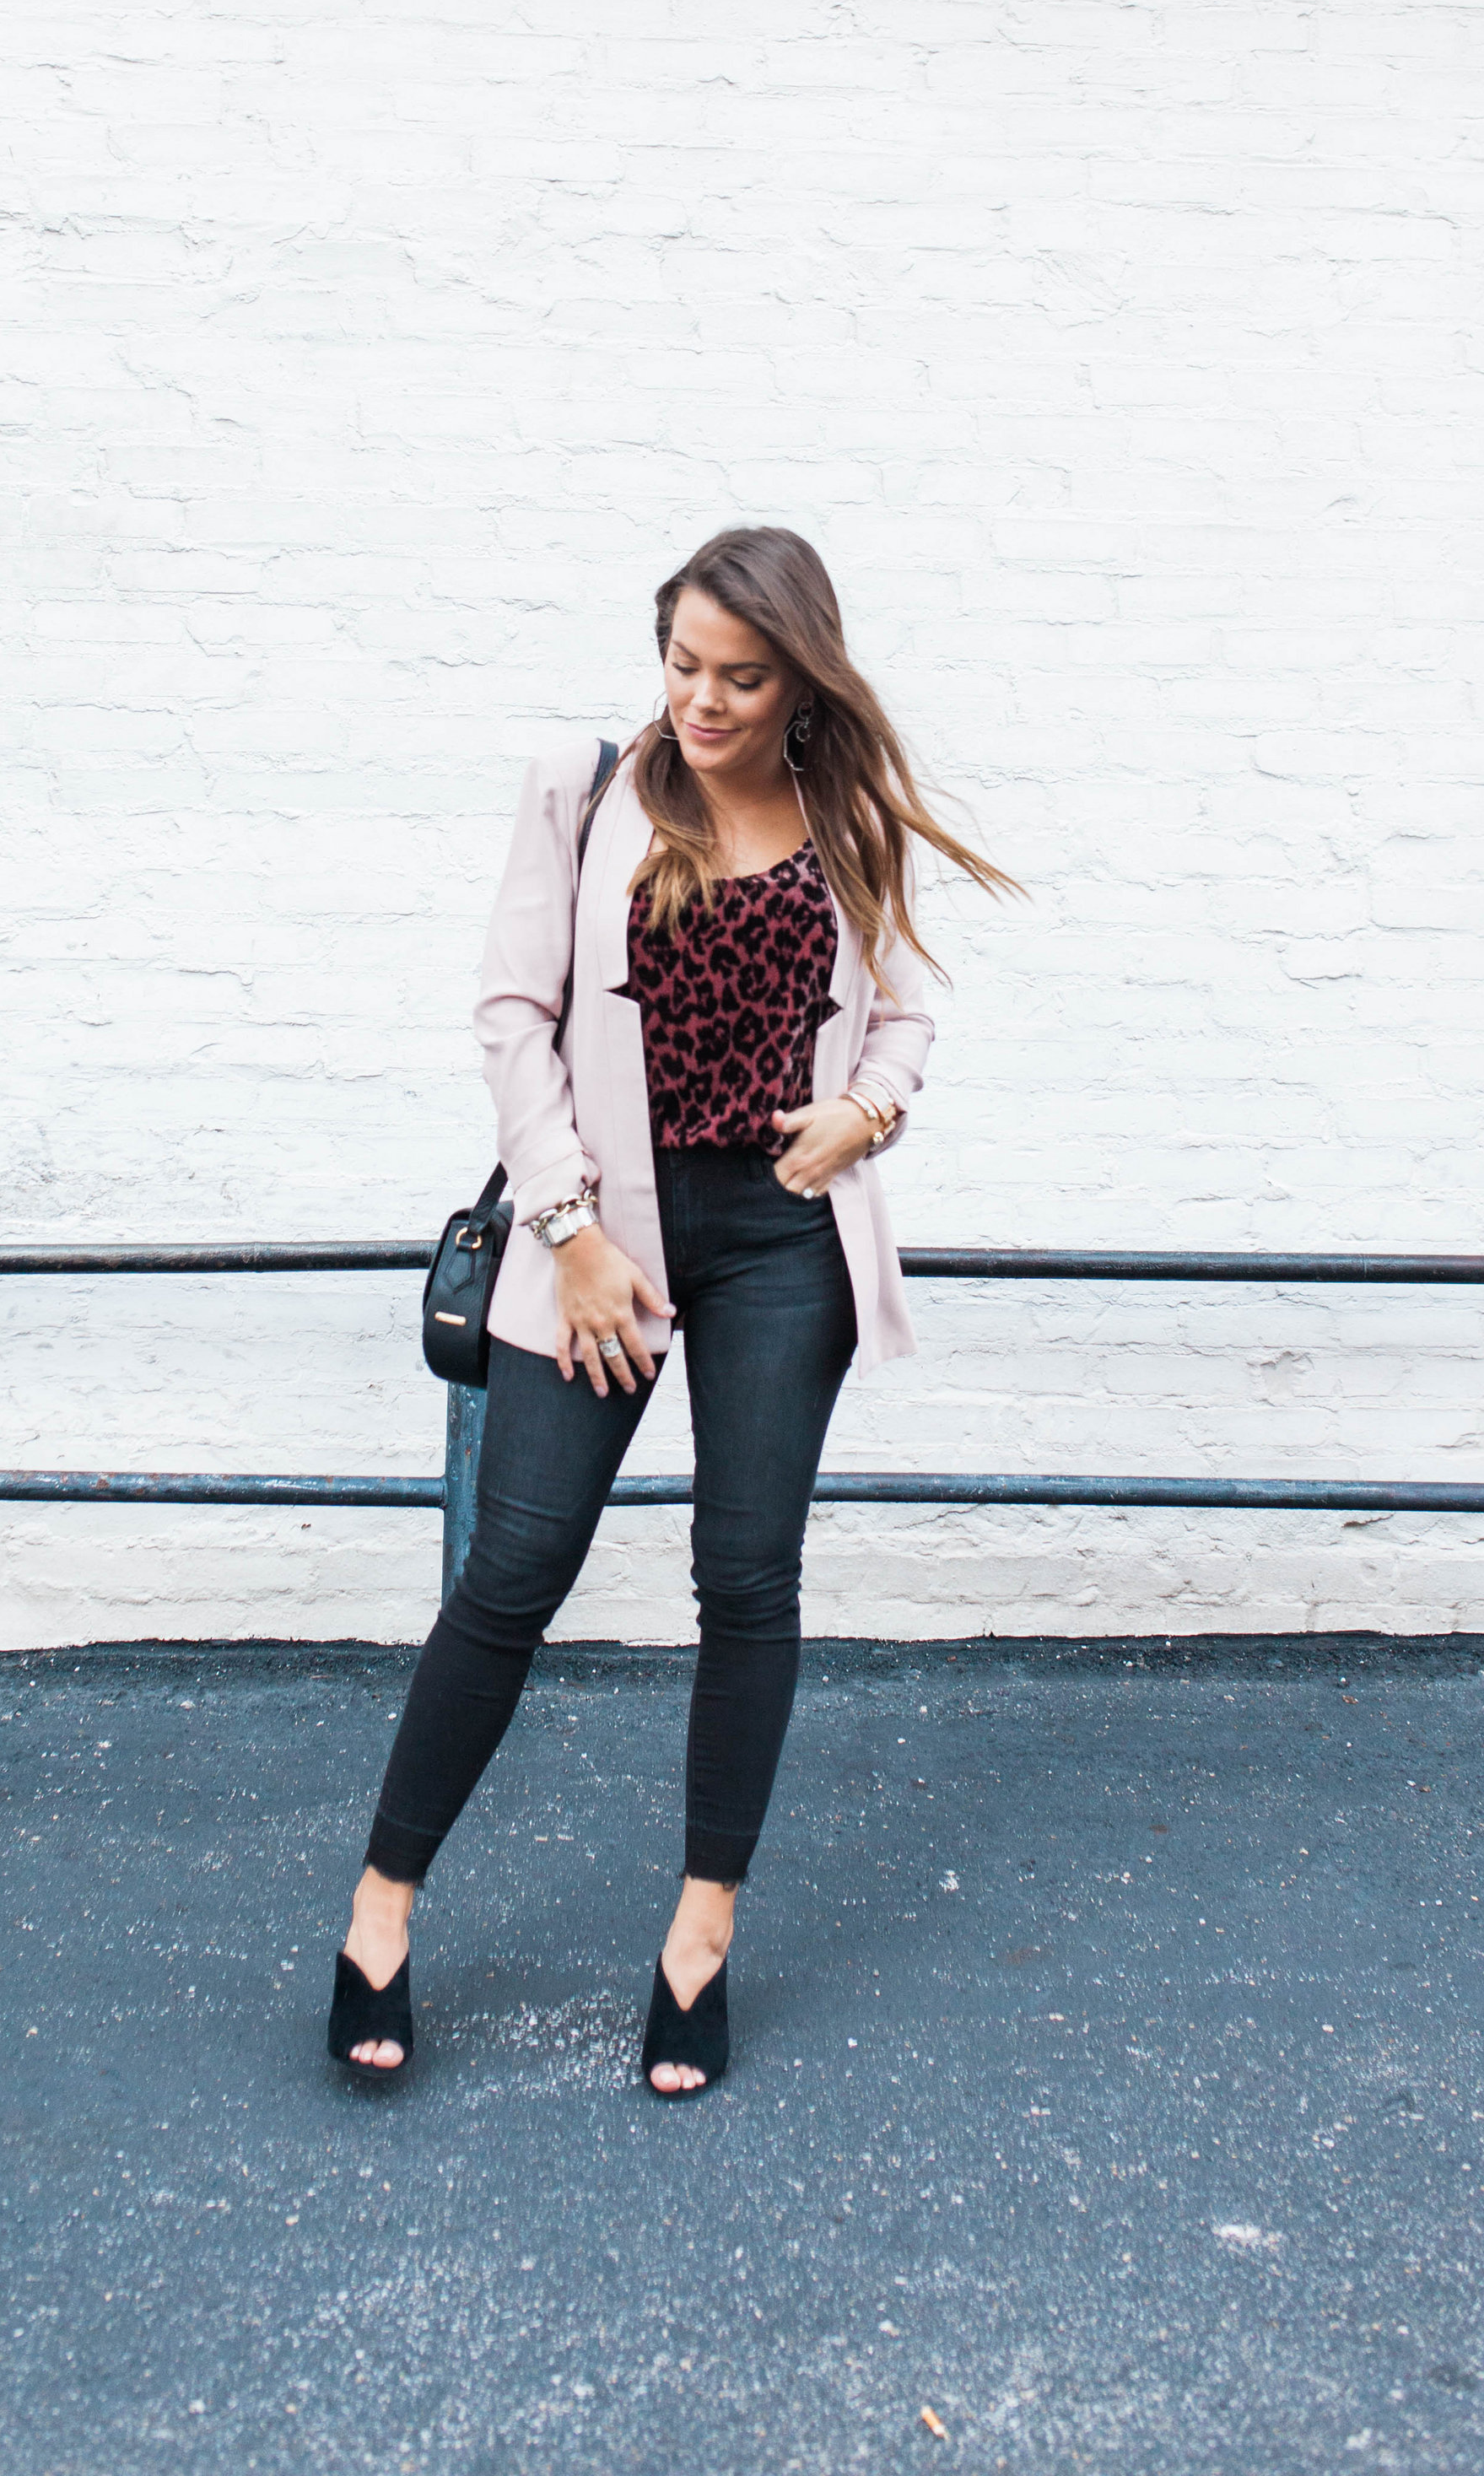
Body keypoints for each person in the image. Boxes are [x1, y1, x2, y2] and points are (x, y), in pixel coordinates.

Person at [328, 525, 1014, 2094]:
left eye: (741, 676)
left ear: (801, 682)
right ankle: (379, 1912)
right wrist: (565, 1229)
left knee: (745, 1578)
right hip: (605, 1239)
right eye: (684, 664)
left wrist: (869, 1113)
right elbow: (514, 1012)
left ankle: (700, 1936)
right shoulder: (588, 793)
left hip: (781, 1237)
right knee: (512, 1572)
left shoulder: (846, 818)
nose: (702, 699)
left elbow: (907, 1009)